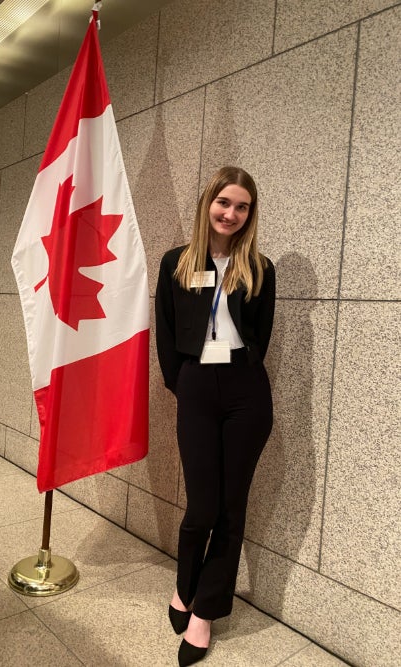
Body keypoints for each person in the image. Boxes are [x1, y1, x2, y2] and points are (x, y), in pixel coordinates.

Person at [155, 166, 275, 666]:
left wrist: (238, 374)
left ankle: (204, 611)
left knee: (231, 508)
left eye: (242, 206)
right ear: (209, 204)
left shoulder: (259, 266)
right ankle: (186, 587)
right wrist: (181, 383)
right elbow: (163, 327)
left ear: (250, 214)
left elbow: (261, 336)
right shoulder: (177, 263)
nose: (231, 213)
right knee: (202, 507)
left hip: (246, 390)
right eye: (224, 202)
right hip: (197, 384)